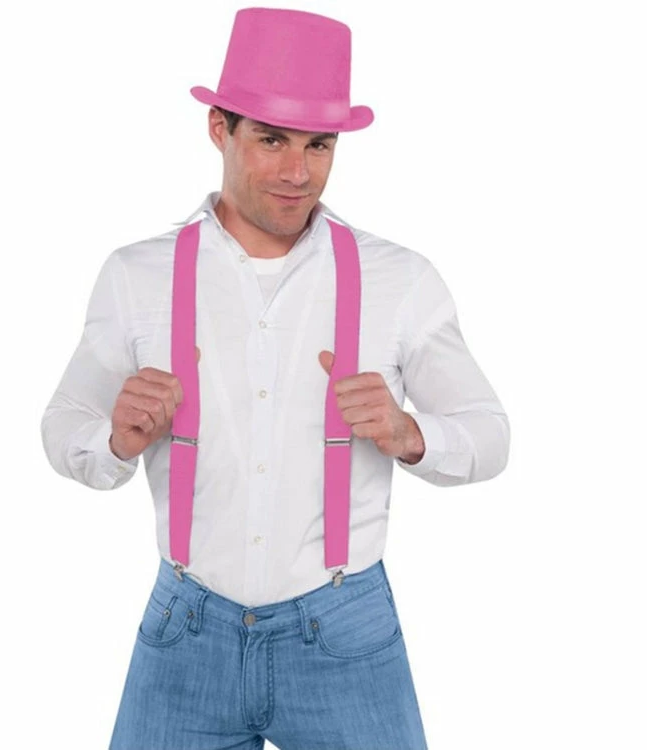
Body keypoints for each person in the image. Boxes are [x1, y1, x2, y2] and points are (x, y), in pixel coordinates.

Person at [40, 7, 510, 749]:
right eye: (271, 140)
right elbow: (64, 422)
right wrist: (115, 439)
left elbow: (490, 434)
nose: (298, 172)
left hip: (344, 630)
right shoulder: (137, 274)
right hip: (186, 628)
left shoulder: (400, 280)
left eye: (319, 145)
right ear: (219, 129)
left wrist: (410, 433)